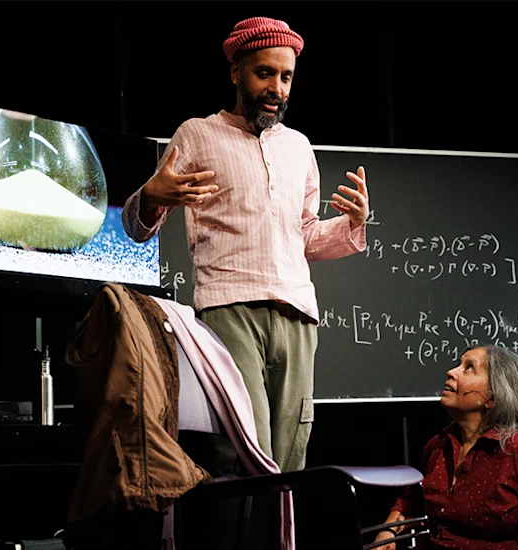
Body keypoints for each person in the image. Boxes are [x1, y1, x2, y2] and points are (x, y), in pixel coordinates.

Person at [121, 15, 369, 474]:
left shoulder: (299, 147)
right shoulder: (198, 134)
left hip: (297, 313)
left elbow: (304, 235)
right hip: (229, 306)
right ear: (236, 72)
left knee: (292, 452)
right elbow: (138, 228)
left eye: (286, 77)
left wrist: (351, 223)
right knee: (242, 449)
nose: (277, 88)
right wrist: (153, 196)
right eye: (265, 73)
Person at [373, 345, 518, 550]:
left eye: (469, 368)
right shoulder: (438, 446)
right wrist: (389, 532)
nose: (451, 372)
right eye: (459, 365)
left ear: (492, 397)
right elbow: (411, 500)